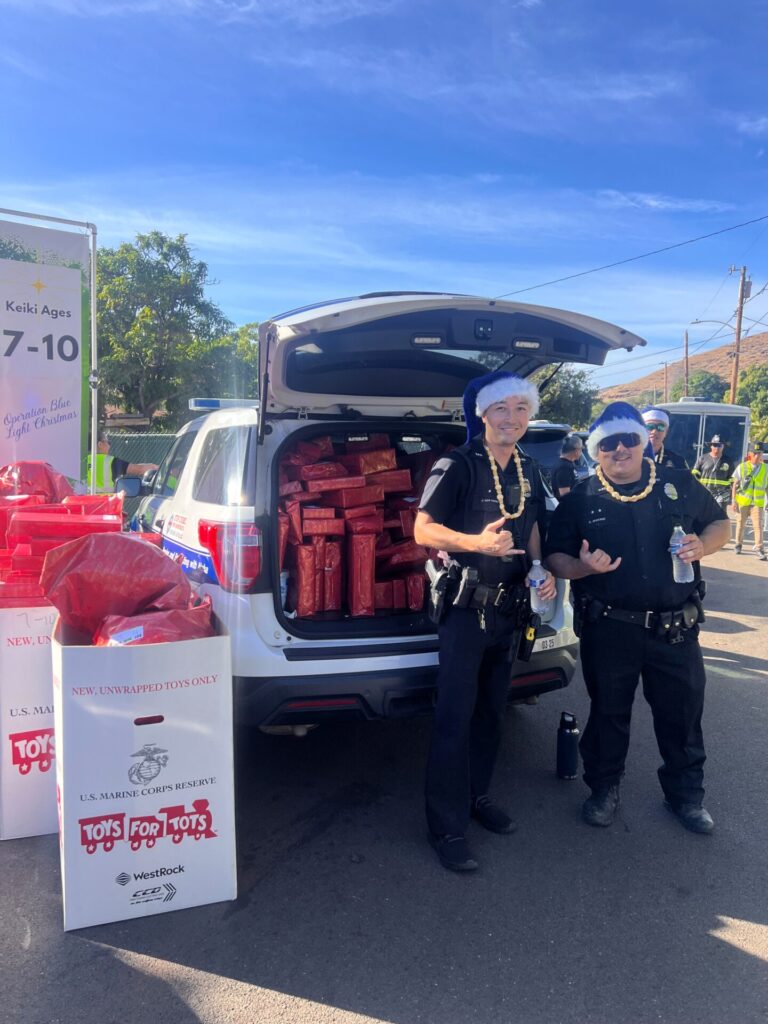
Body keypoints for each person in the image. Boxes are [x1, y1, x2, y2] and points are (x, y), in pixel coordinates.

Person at [544, 401, 730, 835]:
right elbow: (555, 557)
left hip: (675, 629)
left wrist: (704, 546)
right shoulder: (582, 498)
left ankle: (686, 797)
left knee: (682, 715)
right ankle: (603, 789)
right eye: (609, 443)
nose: (620, 449)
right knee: (609, 713)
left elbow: (719, 523)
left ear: (643, 441)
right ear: (597, 450)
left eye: (629, 439)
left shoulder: (678, 482)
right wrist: (583, 568)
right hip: (611, 628)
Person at [414, 371, 556, 872]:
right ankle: (446, 826)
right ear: (482, 413)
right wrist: (477, 543)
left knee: (493, 713)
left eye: (521, 409)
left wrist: (540, 569)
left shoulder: (531, 468)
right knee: (454, 716)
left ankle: (478, 797)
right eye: (502, 409)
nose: (512, 419)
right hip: (465, 611)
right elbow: (421, 528)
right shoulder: (456, 464)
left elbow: (534, 524)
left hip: (510, 610)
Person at [86, 431, 158, 494]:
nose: (109, 445)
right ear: (100, 444)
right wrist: (159, 468)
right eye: (108, 442)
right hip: (105, 505)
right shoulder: (109, 461)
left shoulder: (81, 461)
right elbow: (139, 469)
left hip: (83, 505)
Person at [731, 443, 767, 560]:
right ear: (750, 454)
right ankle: (738, 544)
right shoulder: (742, 467)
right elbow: (735, 485)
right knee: (741, 524)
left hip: (757, 503)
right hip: (743, 502)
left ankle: (759, 548)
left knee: (758, 526)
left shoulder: (766, 469)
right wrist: (734, 501)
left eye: (759, 453)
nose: (757, 456)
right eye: (755, 453)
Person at [693, 434, 733, 511]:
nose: (717, 447)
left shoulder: (728, 461)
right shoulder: (702, 458)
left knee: (720, 517)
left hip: (722, 494)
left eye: (719, 445)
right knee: (702, 516)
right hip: (704, 492)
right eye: (715, 445)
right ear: (711, 446)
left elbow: (732, 479)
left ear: (723, 446)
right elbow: (695, 475)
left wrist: (732, 497)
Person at [551, 434, 584, 498]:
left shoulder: (567, 464)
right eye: (581, 449)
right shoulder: (564, 467)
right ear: (577, 450)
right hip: (569, 506)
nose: (581, 452)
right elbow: (565, 496)